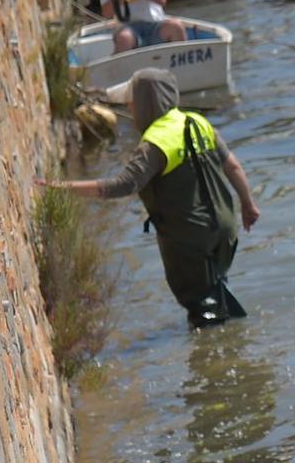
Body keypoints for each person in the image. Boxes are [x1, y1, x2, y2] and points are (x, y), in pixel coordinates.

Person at [39, 69, 257, 328]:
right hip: (225, 228)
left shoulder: (156, 141)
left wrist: (61, 187)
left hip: (189, 237)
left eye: (132, 102)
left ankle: (211, 355)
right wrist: (248, 204)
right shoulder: (197, 122)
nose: (130, 108)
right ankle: (229, 337)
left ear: (145, 103)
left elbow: (121, 185)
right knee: (213, 286)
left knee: (200, 308)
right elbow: (233, 167)